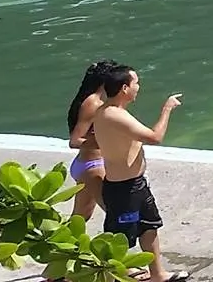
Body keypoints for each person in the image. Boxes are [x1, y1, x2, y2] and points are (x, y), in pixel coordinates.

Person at [88, 65, 186, 282]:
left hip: (136, 184)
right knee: (119, 237)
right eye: (136, 83)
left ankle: (157, 274)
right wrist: (167, 109)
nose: (138, 87)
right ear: (124, 88)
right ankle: (113, 275)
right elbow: (154, 137)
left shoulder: (112, 111)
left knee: (149, 227)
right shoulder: (113, 114)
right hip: (124, 189)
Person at [62, 61, 117, 235]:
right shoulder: (92, 103)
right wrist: (107, 142)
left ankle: (58, 247)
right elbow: (75, 140)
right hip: (93, 168)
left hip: (86, 165)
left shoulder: (92, 100)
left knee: (79, 218)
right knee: (116, 214)